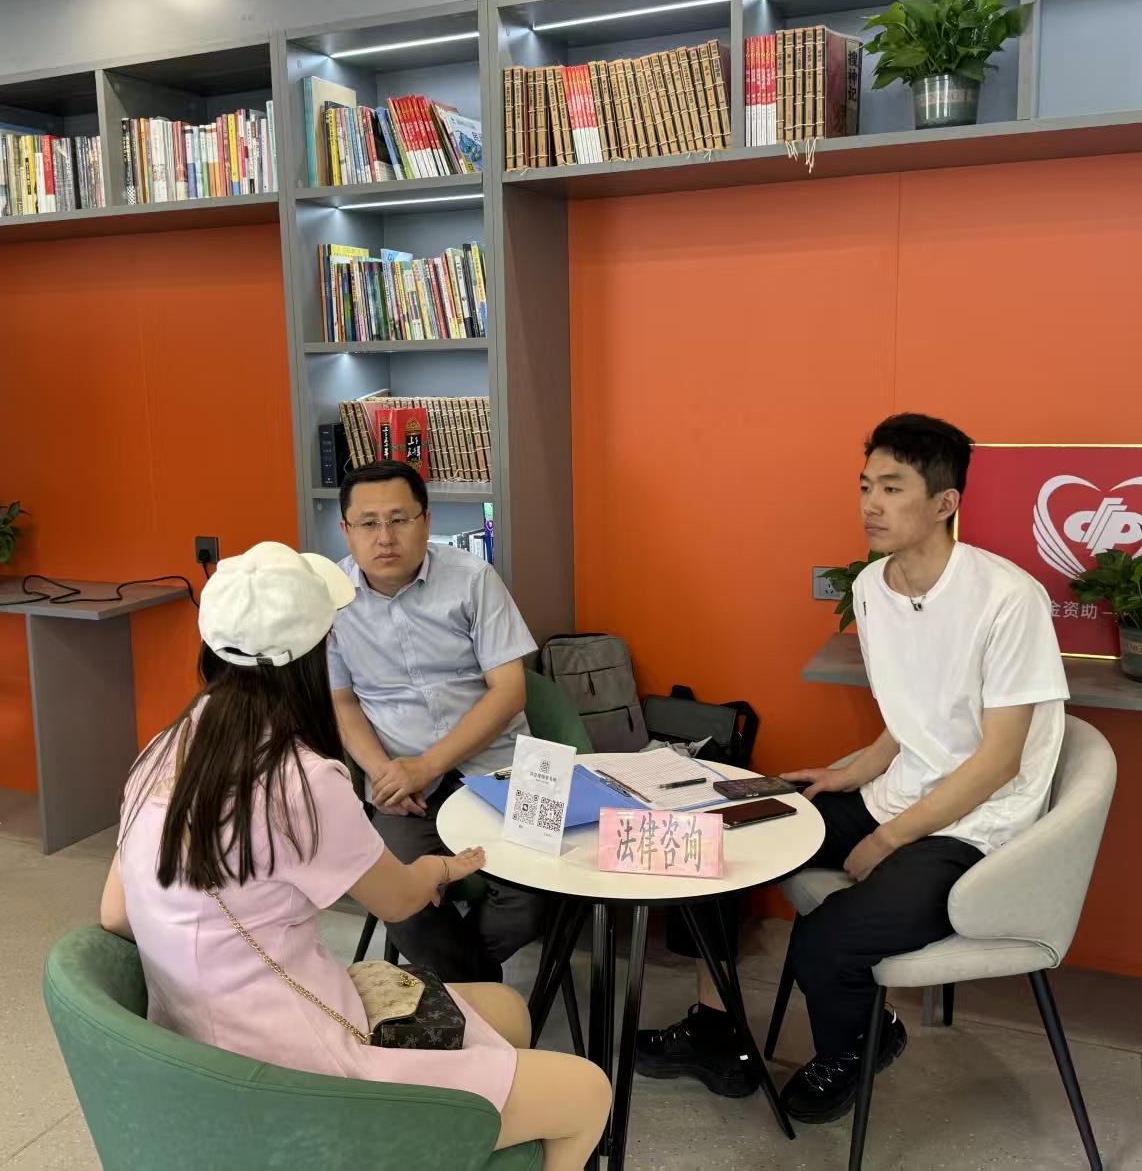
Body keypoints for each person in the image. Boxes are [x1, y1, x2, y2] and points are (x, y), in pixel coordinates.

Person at [101, 542, 609, 1170]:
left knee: (505, 1011)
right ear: (313, 659)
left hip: (197, 1056)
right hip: (301, 1075)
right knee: (587, 1091)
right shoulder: (301, 779)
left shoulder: (163, 750)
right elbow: (400, 899)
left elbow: (115, 914)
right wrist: (445, 867)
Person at [635, 413, 1069, 1124]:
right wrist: (854, 771)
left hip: (974, 827)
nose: (871, 503)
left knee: (826, 941)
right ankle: (716, 1029)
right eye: (866, 486)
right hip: (896, 795)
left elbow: (999, 761)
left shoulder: (1008, 598)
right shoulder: (871, 587)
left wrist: (889, 838)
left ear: (945, 502)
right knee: (709, 840)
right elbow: (913, 715)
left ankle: (861, 1042)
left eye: (893, 488)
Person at [328, 460, 547, 983]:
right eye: (368, 523)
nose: (385, 537)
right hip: (403, 788)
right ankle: (482, 991)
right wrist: (383, 773)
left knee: (533, 898)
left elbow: (509, 690)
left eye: (399, 520)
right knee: (396, 892)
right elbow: (342, 702)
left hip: (498, 768)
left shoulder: (473, 579)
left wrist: (426, 766)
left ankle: (465, 987)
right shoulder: (331, 599)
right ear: (347, 530)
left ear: (426, 521)